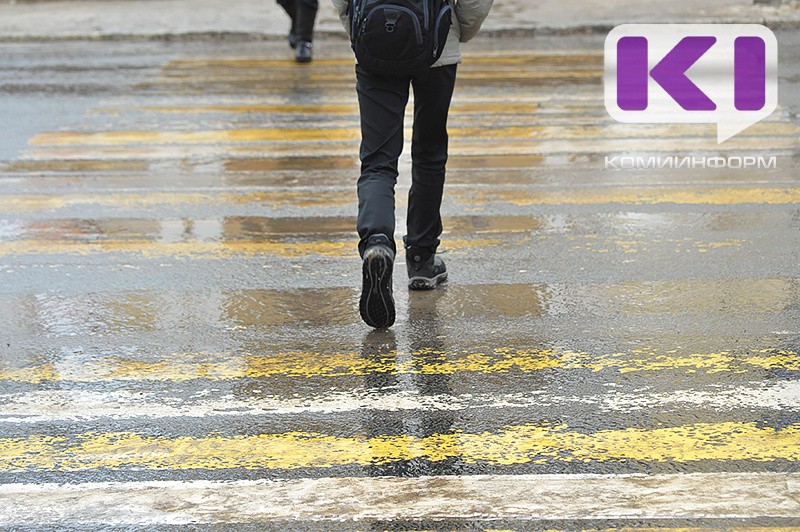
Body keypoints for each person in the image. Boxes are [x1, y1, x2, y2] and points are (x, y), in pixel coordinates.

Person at [331, 0, 494, 329]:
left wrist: (359, 25)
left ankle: (377, 242)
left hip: (375, 37)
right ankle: (421, 259)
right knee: (429, 152)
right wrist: (459, 28)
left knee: (377, 161)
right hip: (438, 43)